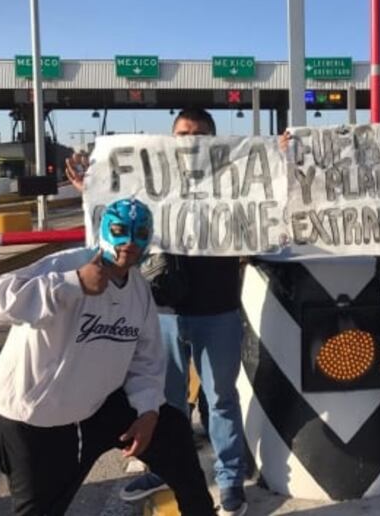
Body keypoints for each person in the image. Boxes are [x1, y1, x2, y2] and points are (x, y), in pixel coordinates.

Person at [66, 108, 248, 516]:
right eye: (183, 133)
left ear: (214, 140)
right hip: (162, 308)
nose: (190, 141)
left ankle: (231, 479)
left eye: (200, 135)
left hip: (217, 309)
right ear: (171, 138)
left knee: (221, 399)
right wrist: (90, 192)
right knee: (165, 404)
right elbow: (117, 213)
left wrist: (279, 162)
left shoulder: (233, 183)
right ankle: (164, 470)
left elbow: (263, 199)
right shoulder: (148, 182)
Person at [0, 198, 217, 516]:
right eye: (120, 231)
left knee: (172, 430)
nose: (129, 244)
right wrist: (73, 284)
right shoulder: (67, 264)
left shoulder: (138, 289)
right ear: (104, 230)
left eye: (140, 234)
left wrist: (148, 411)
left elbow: (145, 358)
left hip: (95, 408)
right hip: (33, 417)